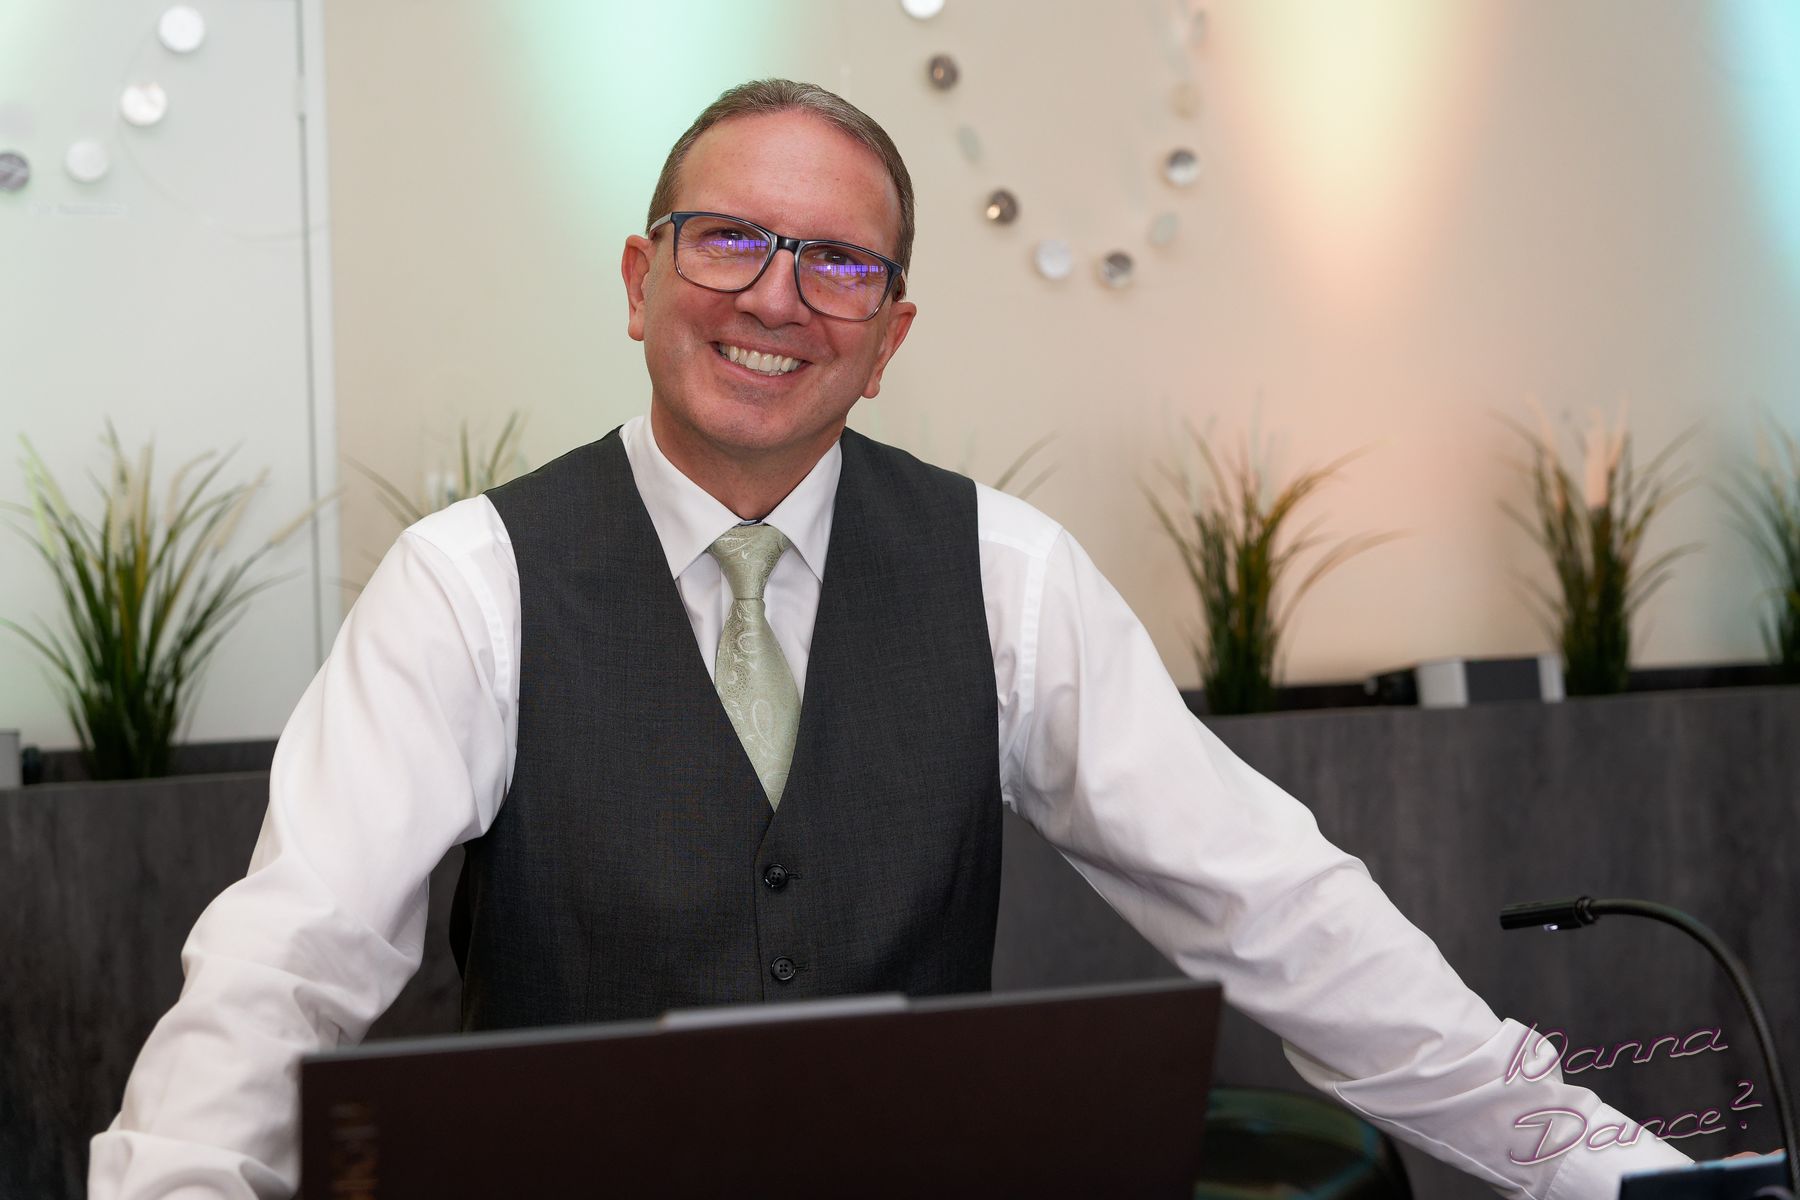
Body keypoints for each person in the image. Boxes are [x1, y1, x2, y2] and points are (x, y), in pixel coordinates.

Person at [91, 79, 1692, 1198]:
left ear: (889, 339)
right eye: (729, 239)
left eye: (841, 265)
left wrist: (1607, 1171)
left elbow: (1275, 904)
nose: (777, 297)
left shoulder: (1008, 573)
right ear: (642, 280)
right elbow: (288, 962)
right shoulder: (467, 583)